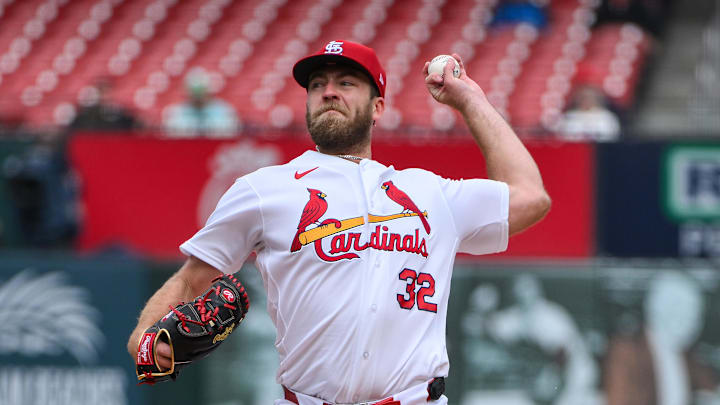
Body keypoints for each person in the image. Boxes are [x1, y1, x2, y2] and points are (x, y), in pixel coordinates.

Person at [127, 40, 551, 404]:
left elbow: (531, 197)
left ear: (377, 106)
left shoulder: (430, 192)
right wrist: (144, 337)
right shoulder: (264, 189)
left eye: (346, 83)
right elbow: (191, 278)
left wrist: (469, 99)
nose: (329, 92)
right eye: (317, 85)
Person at [604, 271, 720, 405]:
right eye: (688, 315)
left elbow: (708, 385)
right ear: (659, 310)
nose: (695, 325)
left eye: (697, 317)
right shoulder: (626, 351)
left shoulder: (684, 353)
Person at [163, 67, 239, 138]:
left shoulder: (223, 111)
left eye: (201, 91)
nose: (198, 97)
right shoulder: (176, 112)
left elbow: (230, 134)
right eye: (194, 93)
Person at [69, 77, 141, 132]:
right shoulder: (87, 115)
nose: (105, 96)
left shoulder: (120, 113)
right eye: (102, 92)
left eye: (107, 92)